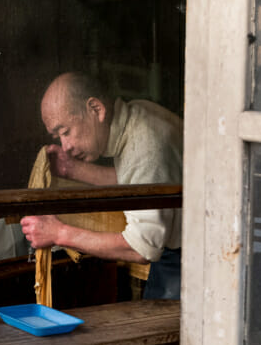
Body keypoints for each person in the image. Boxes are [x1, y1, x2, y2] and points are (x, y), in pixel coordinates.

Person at [20, 72, 183, 300]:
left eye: (66, 132)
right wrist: (72, 169)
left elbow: (140, 248)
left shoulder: (148, 147)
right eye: (58, 137)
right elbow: (134, 179)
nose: (64, 146)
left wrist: (58, 233)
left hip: (190, 259)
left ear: (96, 109)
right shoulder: (137, 115)